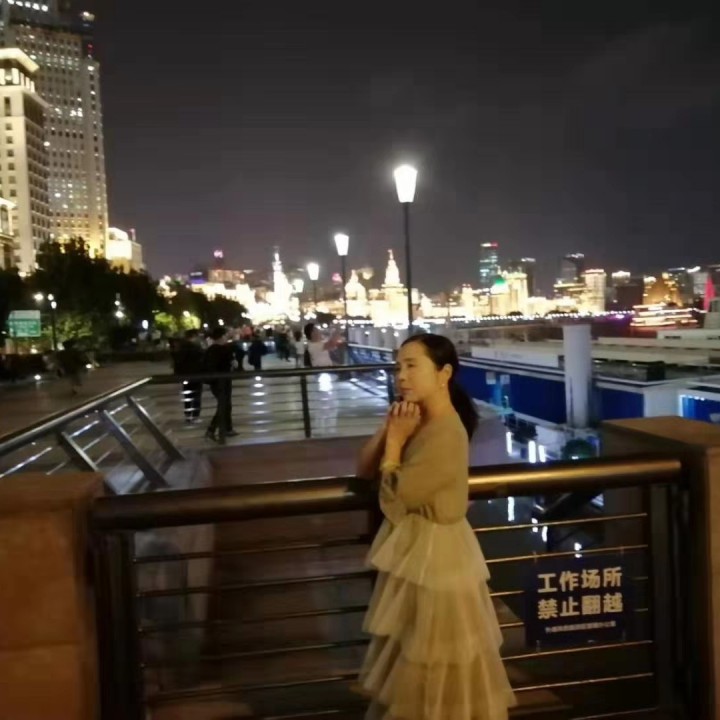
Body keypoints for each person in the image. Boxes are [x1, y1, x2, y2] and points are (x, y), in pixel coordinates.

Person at [355, 333, 516, 720]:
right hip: (421, 552)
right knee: (417, 653)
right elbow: (364, 470)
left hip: (438, 556)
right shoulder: (418, 420)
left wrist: (395, 444)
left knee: (431, 657)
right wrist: (391, 428)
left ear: (444, 374)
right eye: (398, 367)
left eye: (412, 366)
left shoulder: (447, 432)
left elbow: (396, 497)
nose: (401, 375)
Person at [303, 323, 344, 435]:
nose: (319, 332)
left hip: (324, 376)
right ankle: (326, 430)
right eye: (317, 330)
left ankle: (324, 429)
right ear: (312, 333)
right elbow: (332, 343)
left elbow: (328, 352)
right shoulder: (314, 346)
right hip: (324, 377)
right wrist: (337, 330)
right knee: (329, 403)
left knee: (326, 403)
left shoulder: (315, 345)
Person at [203, 326, 237, 441]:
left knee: (226, 404)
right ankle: (212, 429)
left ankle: (227, 428)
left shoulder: (211, 350)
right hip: (222, 381)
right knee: (224, 405)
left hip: (218, 381)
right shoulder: (222, 350)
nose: (227, 337)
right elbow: (229, 364)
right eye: (226, 335)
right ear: (222, 336)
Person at [172, 329, 204, 422]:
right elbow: (201, 359)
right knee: (196, 395)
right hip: (196, 374)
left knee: (187, 395)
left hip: (186, 375)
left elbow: (178, 361)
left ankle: (188, 415)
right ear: (194, 336)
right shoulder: (195, 347)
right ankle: (195, 415)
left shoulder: (181, 347)